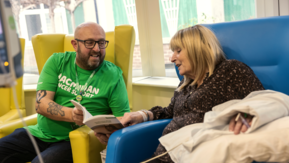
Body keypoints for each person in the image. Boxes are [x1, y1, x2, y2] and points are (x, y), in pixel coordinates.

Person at [120, 25, 264, 163]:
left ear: (196, 48)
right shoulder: (185, 83)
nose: (172, 58)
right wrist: (142, 115)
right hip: (163, 156)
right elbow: (169, 112)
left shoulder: (230, 70)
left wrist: (245, 116)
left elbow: (263, 101)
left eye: (178, 51)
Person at [0, 22, 130, 163]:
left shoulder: (113, 75)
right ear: (75, 44)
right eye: (89, 43)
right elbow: (41, 104)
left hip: (72, 140)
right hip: (38, 133)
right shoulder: (57, 62)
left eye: (101, 43)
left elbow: (122, 120)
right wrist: (72, 115)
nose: (97, 49)